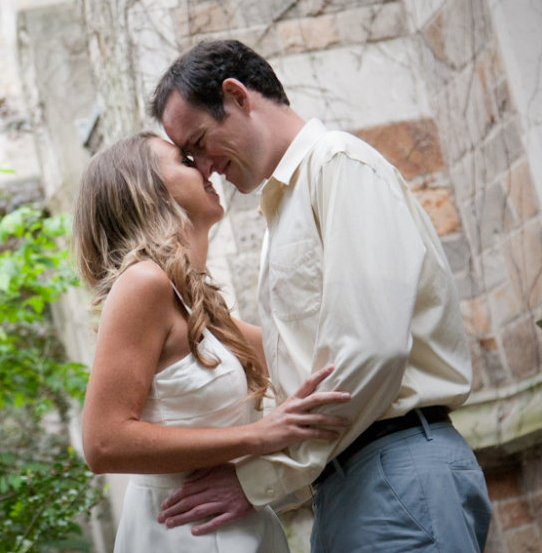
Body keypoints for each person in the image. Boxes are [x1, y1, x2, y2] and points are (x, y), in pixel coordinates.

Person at [148, 39, 492, 553]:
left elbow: (370, 351)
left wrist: (257, 478)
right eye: (189, 157)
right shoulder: (282, 208)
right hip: (346, 481)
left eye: (199, 142)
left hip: (394, 469)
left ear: (238, 96)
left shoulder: (339, 165)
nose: (202, 167)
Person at [72, 132, 352, 553]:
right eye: (186, 160)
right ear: (146, 189)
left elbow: (307, 356)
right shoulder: (143, 283)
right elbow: (103, 442)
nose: (206, 166)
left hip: (238, 524)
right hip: (187, 532)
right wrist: (258, 437)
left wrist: (295, 224)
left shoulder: (196, 303)